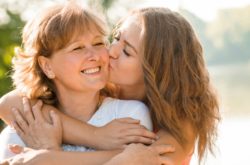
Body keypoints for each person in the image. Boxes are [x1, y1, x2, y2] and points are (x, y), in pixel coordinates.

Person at [0, 5, 220, 165]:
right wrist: (96, 136)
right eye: (115, 38)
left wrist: (49, 156)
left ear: (155, 71)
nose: (109, 51)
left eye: (126, 51)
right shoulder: (98, 90)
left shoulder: (180, 120)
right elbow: (9, 103)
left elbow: (148, 161)